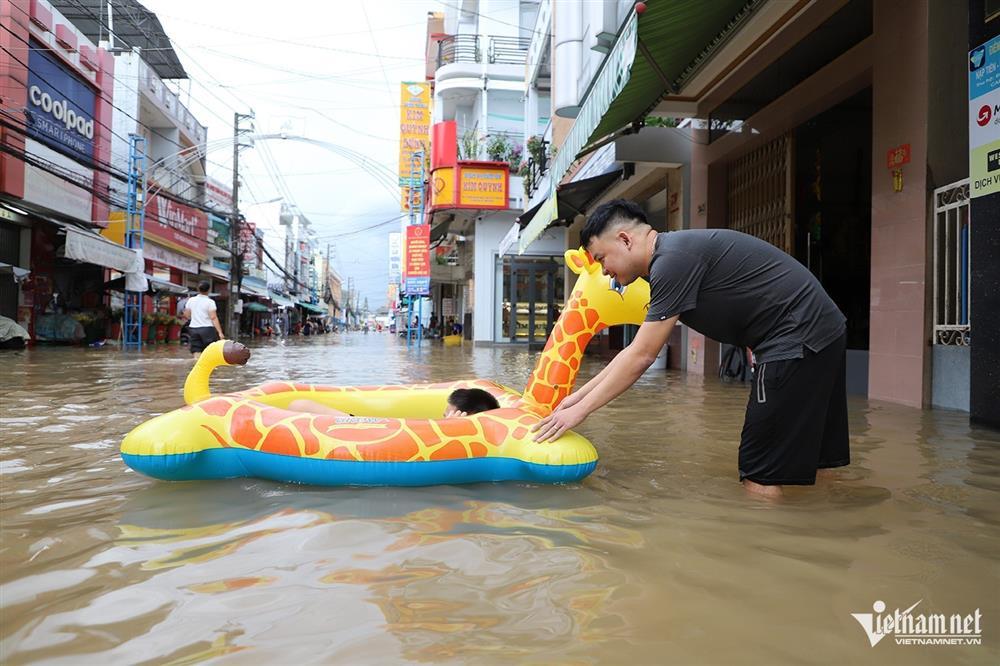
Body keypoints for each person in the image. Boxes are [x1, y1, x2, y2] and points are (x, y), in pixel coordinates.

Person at [532, 199, 849, 498]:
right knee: (819, 458)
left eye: (602, 259)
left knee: (759, 471)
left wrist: (579, 412)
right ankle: (825, 525)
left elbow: (642, 356)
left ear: (625, 240)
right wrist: (575, 398)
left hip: (793, 338)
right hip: (824, 331)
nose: (604, 271)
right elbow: (634, 351)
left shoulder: (670, 262)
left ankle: (761, 548)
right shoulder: (675, 253)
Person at [288, 387, 500, 418]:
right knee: (299, 404)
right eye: (445, 415)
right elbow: (298, 404)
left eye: (449, 414)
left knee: (299, 405)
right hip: (363, 428)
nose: (443, 418)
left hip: (365, 433)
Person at [182, 281, 224, 358]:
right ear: (208, 290)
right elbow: (213, 317)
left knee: (196, 350)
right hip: (207, 329)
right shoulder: (210, 302)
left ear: (198, 289)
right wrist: (220, 332)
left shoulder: (191, 300)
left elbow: (187, 314)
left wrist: (194, 318)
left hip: (193, 329)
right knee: (209, 351)